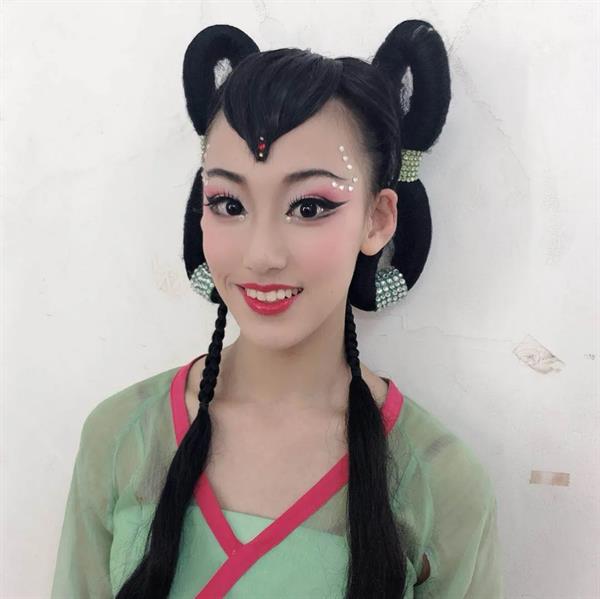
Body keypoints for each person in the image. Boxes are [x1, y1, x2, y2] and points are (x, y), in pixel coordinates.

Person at [51, 20, 504, 599]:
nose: (261, 254)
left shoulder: (441, 482)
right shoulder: (120, 438)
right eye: (228, 203)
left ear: (377, 220)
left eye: (309, 207)